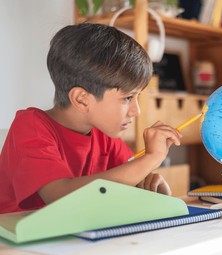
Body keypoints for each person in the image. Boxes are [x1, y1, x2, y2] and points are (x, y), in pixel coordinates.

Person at [0, 23, 182, 214]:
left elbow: (123, 185)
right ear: (82, 99)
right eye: (127, 98)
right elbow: (61, 198)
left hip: (78, 236)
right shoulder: (30, 127)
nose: (136, 111)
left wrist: (152, 190)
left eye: (138, 97)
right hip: (14, 239)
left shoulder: (104, 135)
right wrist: (150, 159)